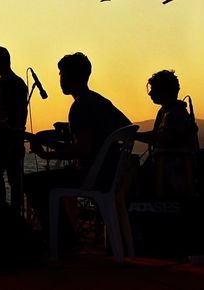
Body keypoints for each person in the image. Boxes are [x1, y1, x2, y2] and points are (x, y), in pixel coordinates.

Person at [24, 52, 131, 251]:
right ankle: (63, 239)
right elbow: (127, 128)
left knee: (31, 182)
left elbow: (83, 149)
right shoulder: (101, 102)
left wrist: (47, 154)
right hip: (110, 174)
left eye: (61, 74)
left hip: (91, 176)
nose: (60, 79)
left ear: (69, 76)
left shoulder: (79, 106)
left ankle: (62, 242)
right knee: (43, 181)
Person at [136, 70, 199, 198]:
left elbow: (159, 138)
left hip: (172, 178)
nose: (151, 93)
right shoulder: (166, 111)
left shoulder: (176, 114)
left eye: (154, 89)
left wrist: (134, 136)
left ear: (165, 91)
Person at [0, 46, 28, 212]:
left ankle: (8, 213)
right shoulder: (4, 82)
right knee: (1, 177)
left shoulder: (13, 83)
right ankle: (4, 211)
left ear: (1, 61)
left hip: (9, 138)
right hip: (2, 137)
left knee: (10, 179)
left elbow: (17, 112)